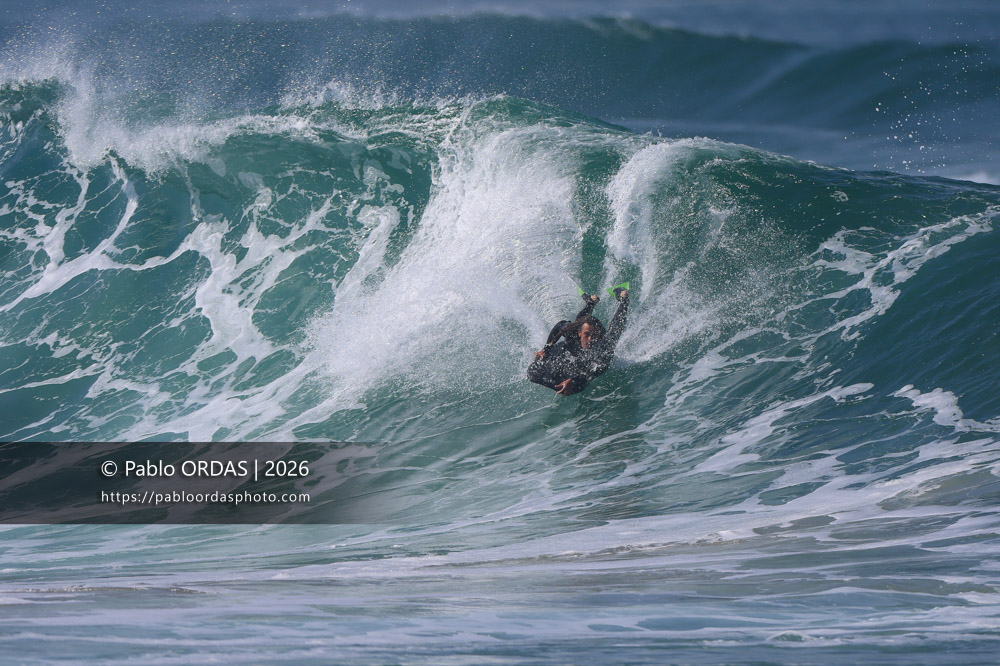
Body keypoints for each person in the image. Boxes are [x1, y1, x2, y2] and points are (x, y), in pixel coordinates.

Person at [527, 287, 630, 396]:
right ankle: (591, 303)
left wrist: (573, 380)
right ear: (580, 333)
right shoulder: (573, 333)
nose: (590, 339)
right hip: (570, 354)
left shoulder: (604, 347)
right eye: (587, 334)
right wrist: (546, 349)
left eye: (594, 335)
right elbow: (560, 325)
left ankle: (623, 300)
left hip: (586, 372)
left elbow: (617, 324)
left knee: (578, 386)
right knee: (533, 371)